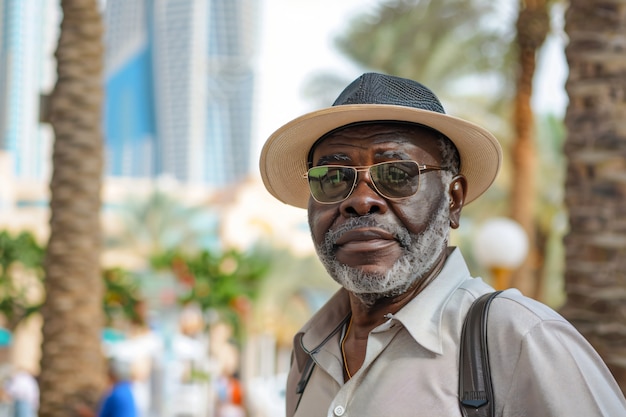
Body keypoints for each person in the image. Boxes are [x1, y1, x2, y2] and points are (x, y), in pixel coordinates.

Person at [258, 72, 626, 416]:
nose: (361, 200)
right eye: (333, 177)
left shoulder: (519, 339)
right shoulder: (310, 353)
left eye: (397, 174)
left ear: (454, 200)